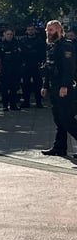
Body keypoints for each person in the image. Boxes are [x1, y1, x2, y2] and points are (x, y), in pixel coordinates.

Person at [39, 20, 77, 158]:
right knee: (59, 120)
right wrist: (44, 85)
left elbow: (69, 69)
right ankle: (59, 147)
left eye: (52, 30)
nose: (49, 33)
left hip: (64, 88)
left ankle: (60, 146)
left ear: (59, 30)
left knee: (67, 119)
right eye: (47, 30)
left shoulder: (66, 46)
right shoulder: (51, 46)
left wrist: (65, 86)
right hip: (54, 87)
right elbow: (48, 68)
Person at [19, 24, 46, 108]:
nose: (30, 31)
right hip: (26, 65)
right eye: (29, 29)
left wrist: (42, 62)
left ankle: (38, 102)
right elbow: (20, 53)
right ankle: (26, 102)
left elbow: (43, 53)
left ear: (35, 30)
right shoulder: (23, 41)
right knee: (25, 84)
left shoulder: (39, 40)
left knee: (38, 84)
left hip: (36, 65)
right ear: (26, 31)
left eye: (32, 29)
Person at [0, 28, 22, 110]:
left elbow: (21, 55)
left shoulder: (17, 44)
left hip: (15, 69)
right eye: (8, 34)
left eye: (11, 34)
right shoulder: (0, 45)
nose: (9, 36)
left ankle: (13, 105)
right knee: (4, 89)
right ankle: (5, 105)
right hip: (4, 69)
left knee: (14, 88)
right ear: (4, 35)